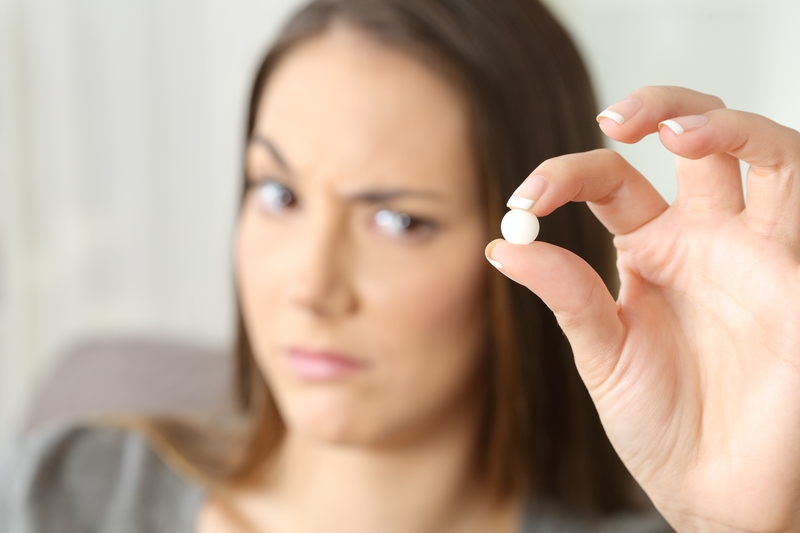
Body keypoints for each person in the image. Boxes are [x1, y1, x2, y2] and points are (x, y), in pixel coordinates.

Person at [2, 0, 800, 532]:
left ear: (536, 246)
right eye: (277, 193)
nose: (311, 286)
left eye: (399, 220)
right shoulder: (65, 491)